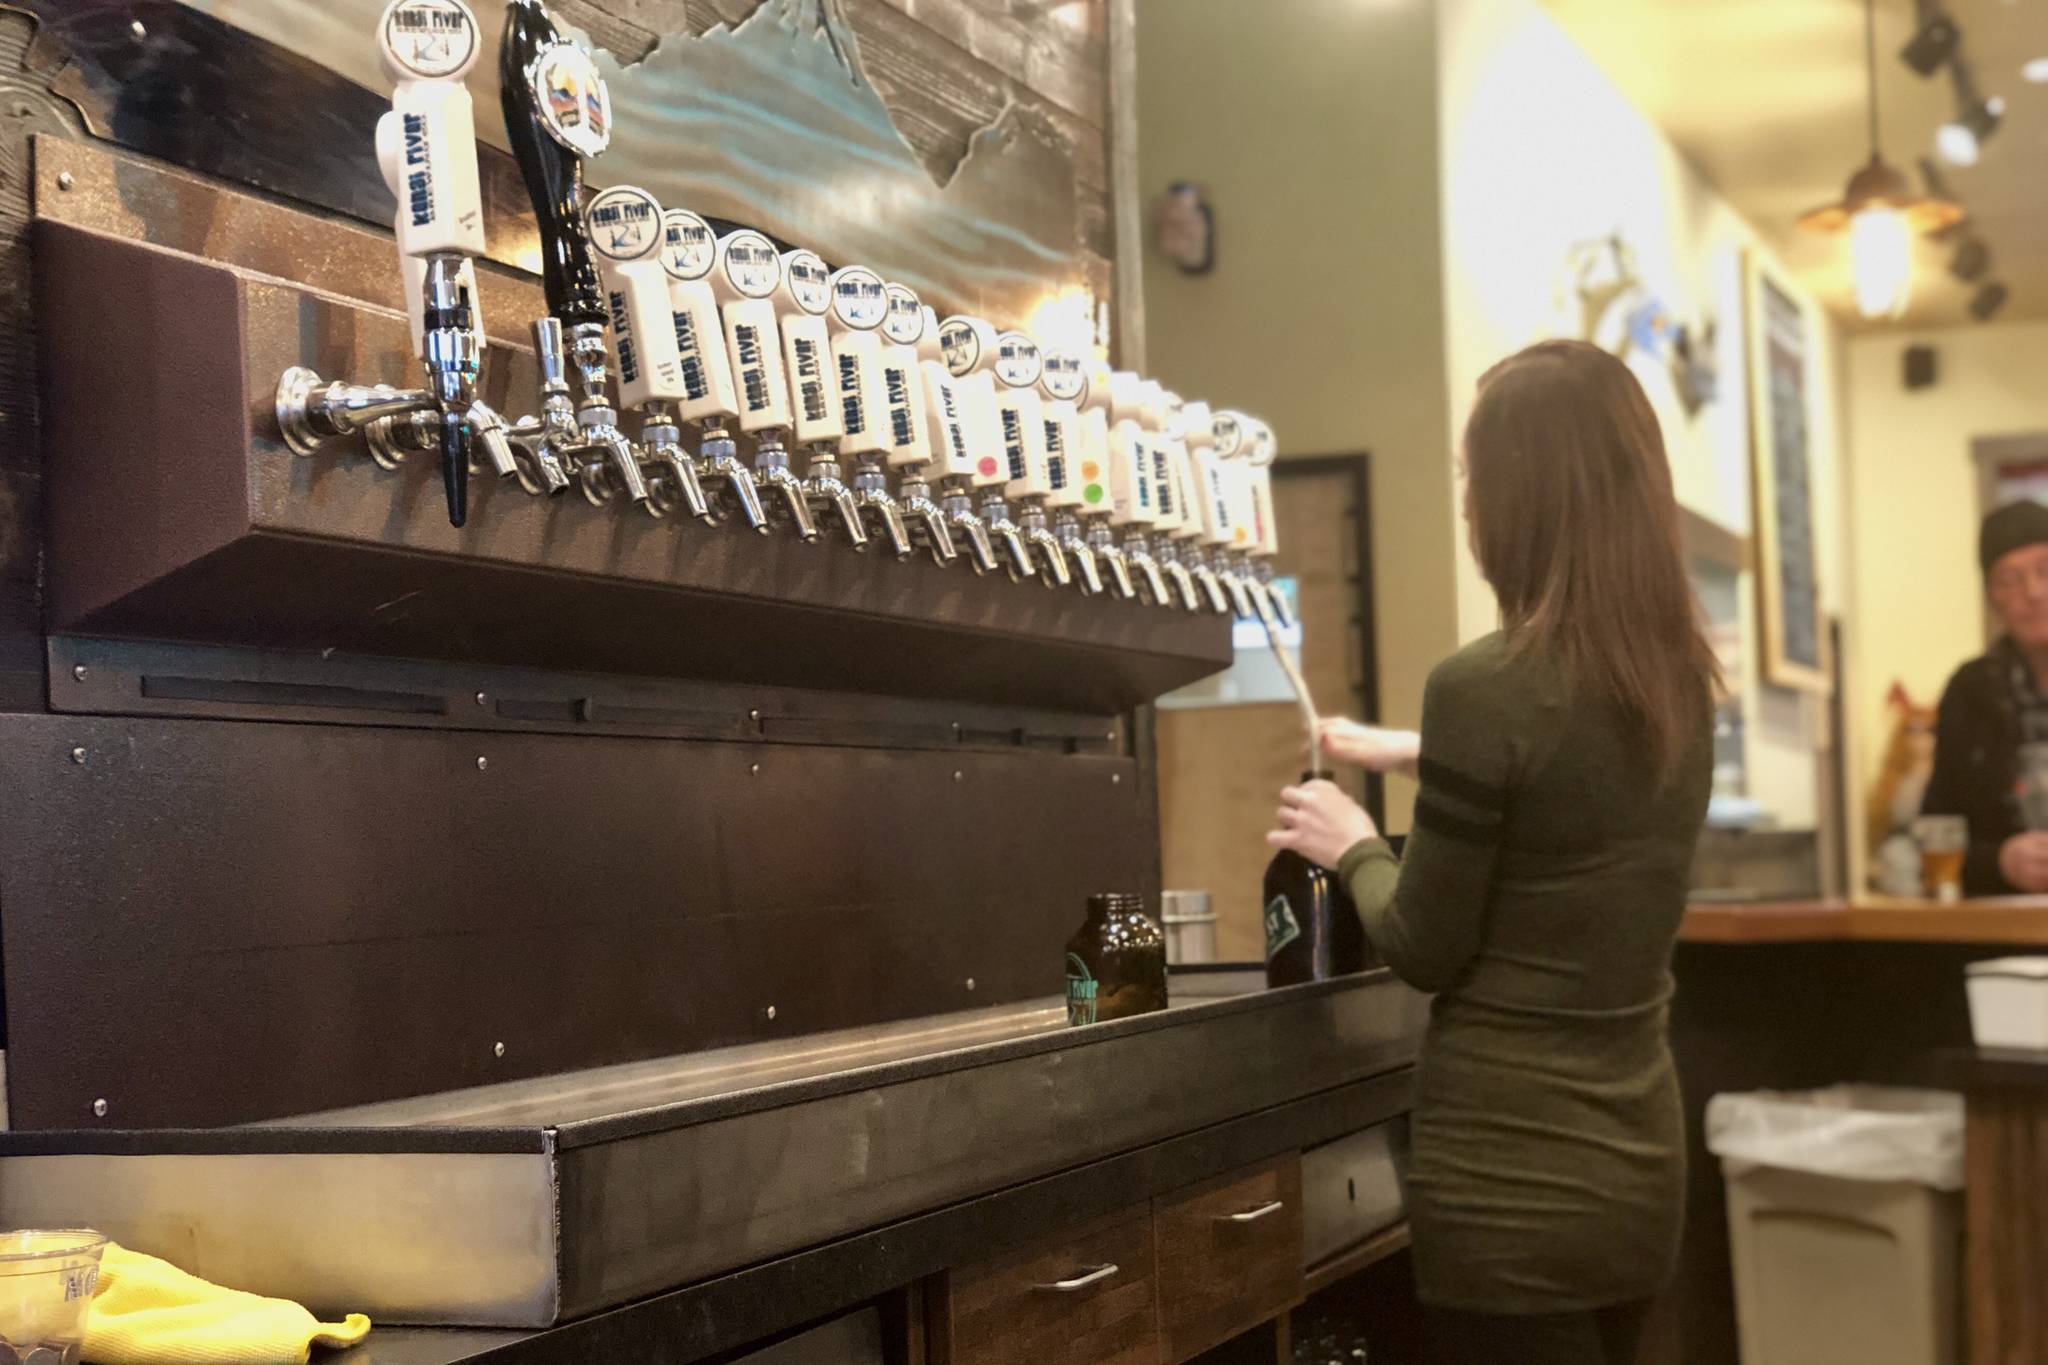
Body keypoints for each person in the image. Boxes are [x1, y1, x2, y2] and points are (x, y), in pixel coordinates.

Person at [1267, 340, 1715, 1365]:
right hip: (1637, 1175)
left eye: (1472, 475)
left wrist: (1351, 845)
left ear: (1517, 501)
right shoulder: (1676, 684)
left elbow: (1422, 942)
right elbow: (1572, 793)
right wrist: (1425, 756)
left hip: (1510, 1193)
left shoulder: (1482, 686)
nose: (1465, 501)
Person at [1919, 500, 2048, 896]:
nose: (2034, 592)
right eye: (2010, 579)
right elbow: (1933, 832)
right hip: (2001, 929)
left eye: (2045, 569)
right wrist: (1999, 861)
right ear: (1993, 598)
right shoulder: (1970, 690)